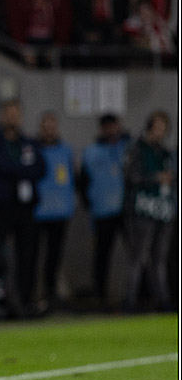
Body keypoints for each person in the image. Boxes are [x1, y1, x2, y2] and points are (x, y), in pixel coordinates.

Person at [0, 99, 46, 317]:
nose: (12, 117)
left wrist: (17, 169)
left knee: (27, 256)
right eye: (8, 113)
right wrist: (22, 168)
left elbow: (40, 168)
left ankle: (26, 301)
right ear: (2, 115)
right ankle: (0, 300)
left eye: (16, 113)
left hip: (25, 207)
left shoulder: (27, 142)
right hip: (2, 206)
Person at [121, 110, 175, 312]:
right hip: (142, 209)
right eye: (157, 126)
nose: (160, 131)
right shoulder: (137, 149)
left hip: (163, 210)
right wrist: (155, 178)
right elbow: (131, 176)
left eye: (164, 128)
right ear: (150, 126)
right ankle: (129, 301)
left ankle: (163, 300)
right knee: (137, 257)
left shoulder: (166, 153)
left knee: (159, 258)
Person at [78, 114, 130, 307]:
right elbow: (83, 182)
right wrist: (89, 205)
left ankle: (139, 295)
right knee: (102, 255)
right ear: (102, 129)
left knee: (136, 256)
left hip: (127, 211)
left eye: (113, 126)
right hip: (102, 212)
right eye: (107, 127)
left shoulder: (129, 147)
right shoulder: (92, 152)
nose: (111, 130)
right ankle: (100, 296)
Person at [33, 111, 75, 311]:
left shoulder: (65, 150)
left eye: (52, 125)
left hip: (60, 212)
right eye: (46, 125)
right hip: (38, 212)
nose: (49, 129)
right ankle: (33, 296)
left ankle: (51, 294)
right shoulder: (33, 149)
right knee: (33, 256)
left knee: (54, 257)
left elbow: (70, 178)